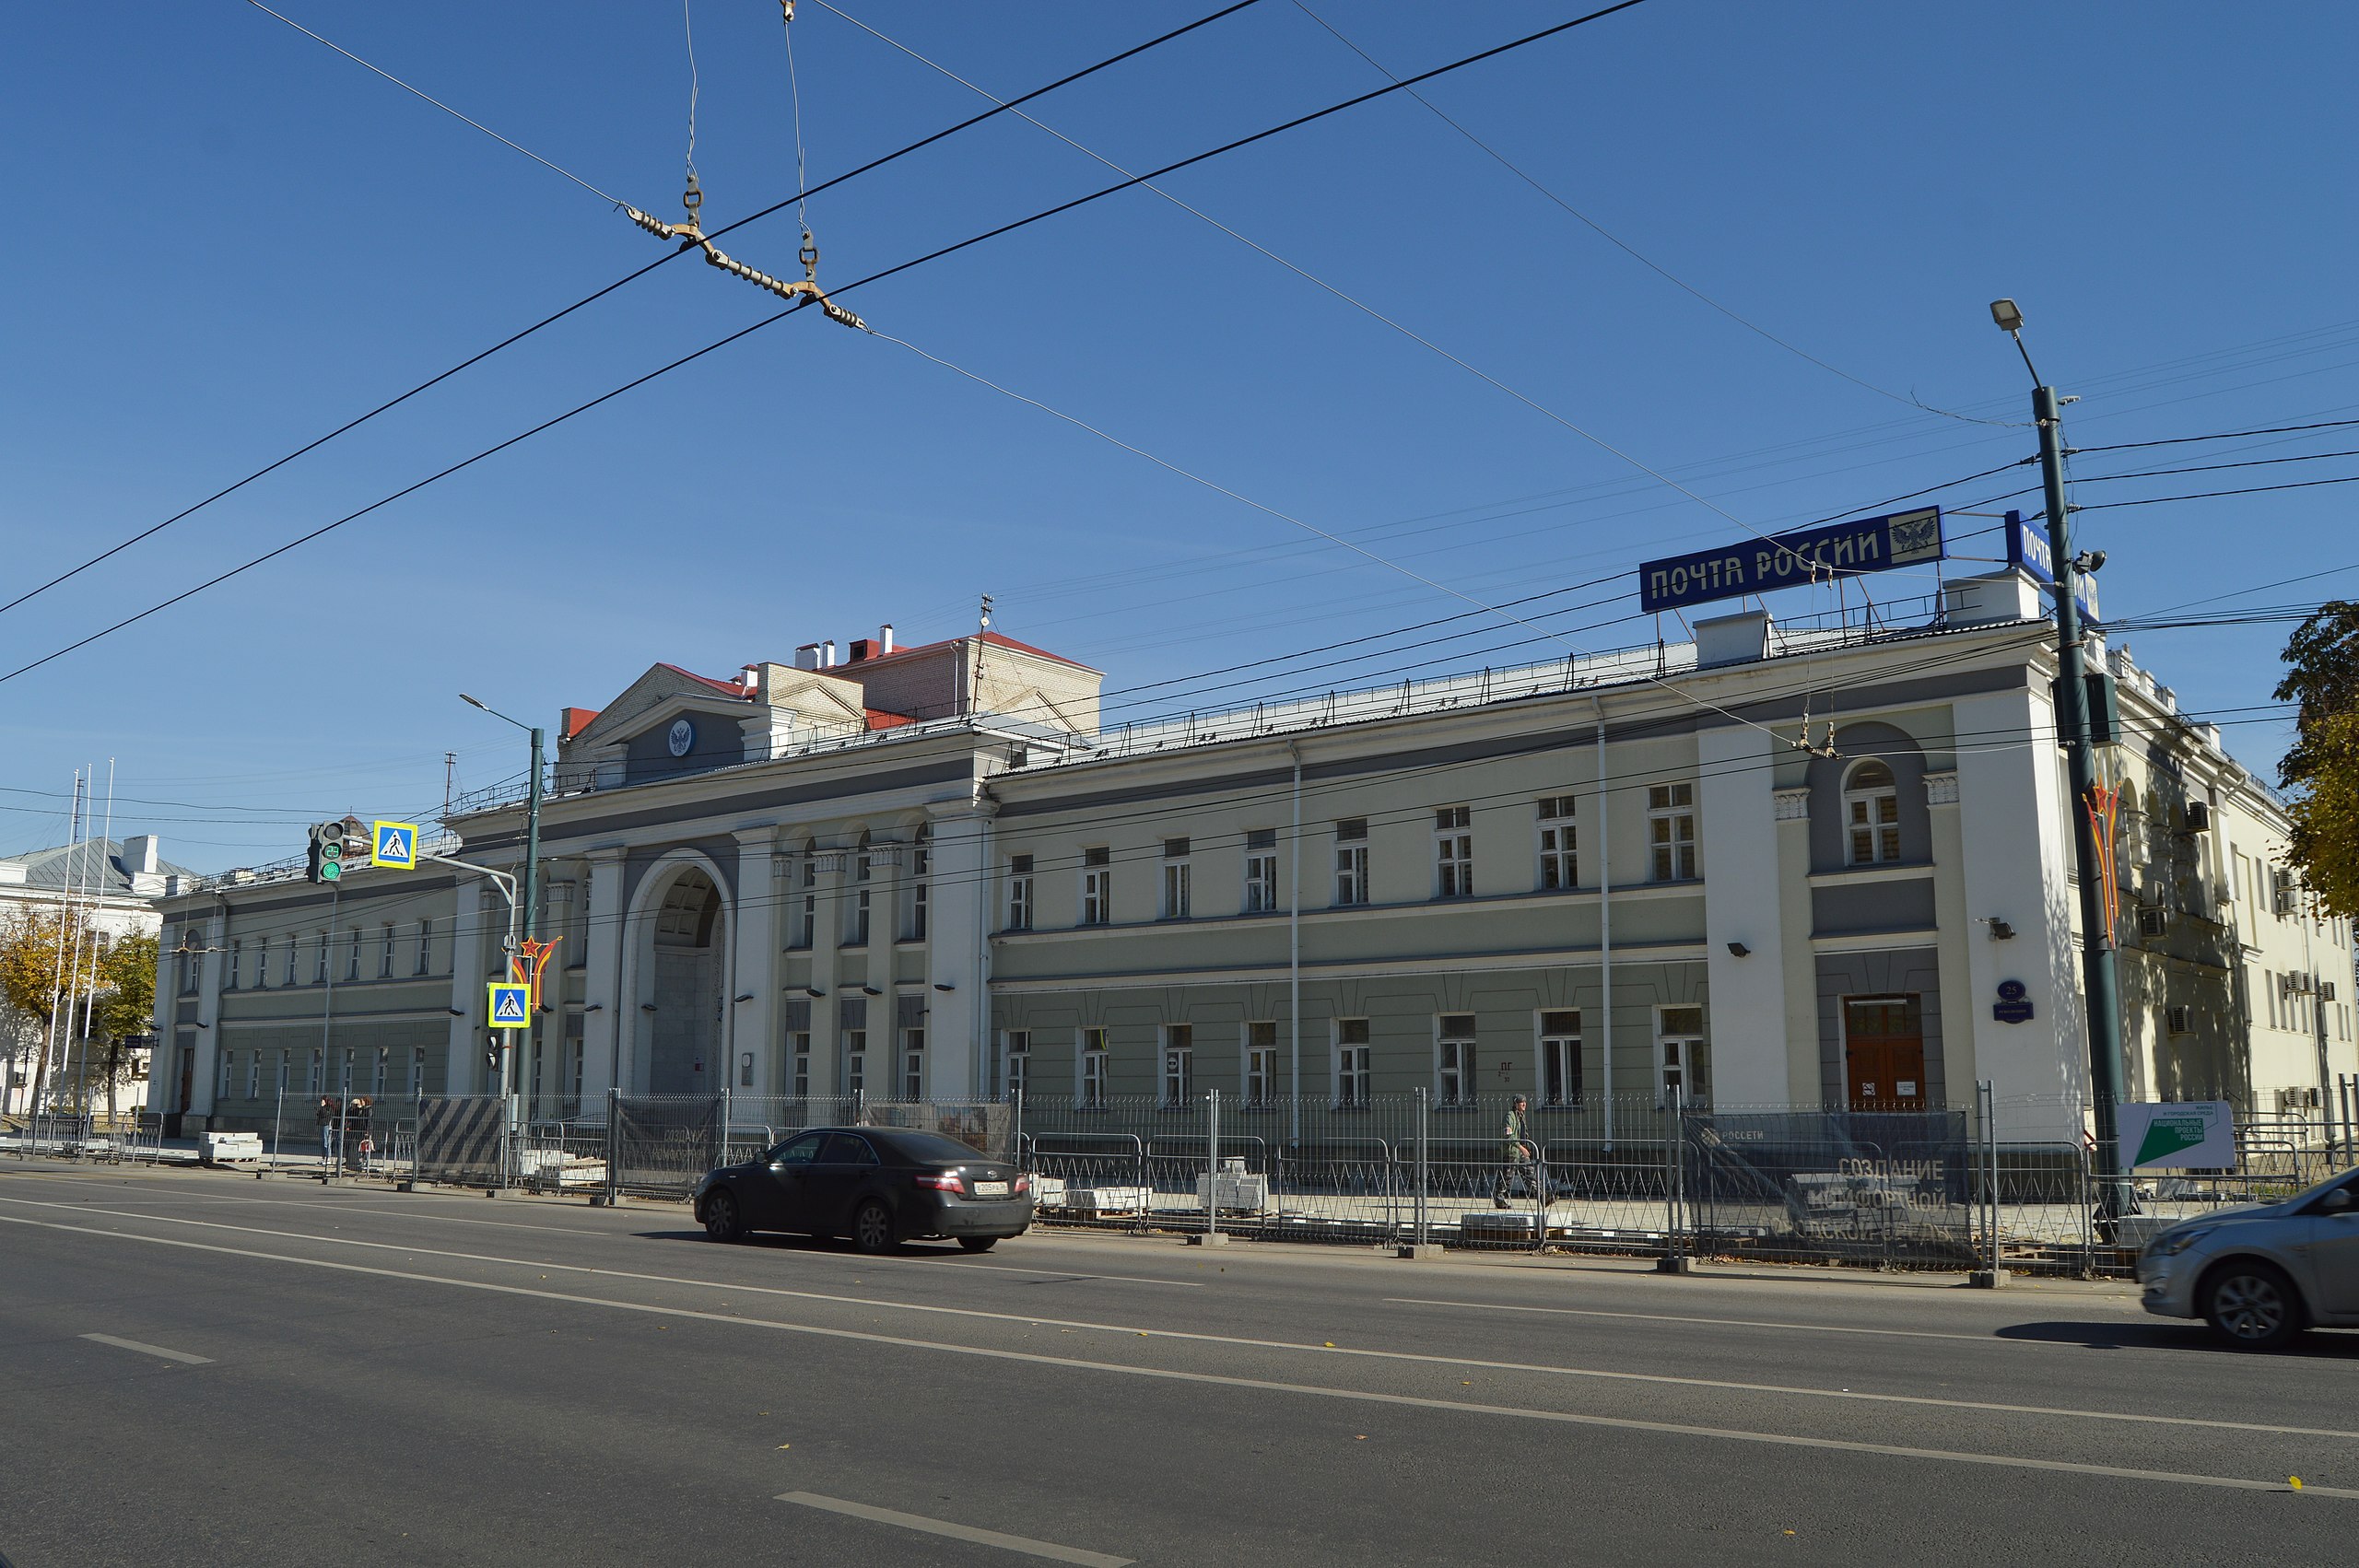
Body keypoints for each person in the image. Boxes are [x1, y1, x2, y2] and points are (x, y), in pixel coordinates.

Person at [1494, 1094, 1540, 1209]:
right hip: (1511, 1152)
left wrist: (1526, 1146)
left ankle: (1543, 1197)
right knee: (1506, 1177)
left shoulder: (1521, 1116)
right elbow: (1508, 1135)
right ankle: (1499, 1199)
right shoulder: (1510, 1117)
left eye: (1525, 1102)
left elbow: (1523, 1133)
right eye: (1521, 1102)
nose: (1524, 1104)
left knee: (1530, 1173)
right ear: (1516, 1104)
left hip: (1520, 1151)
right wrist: (1520, 1147)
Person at [316, 1095, 341, 1167]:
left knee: (326, 1141)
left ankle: (328, 1158)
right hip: (322, 1124)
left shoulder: (329, 1108)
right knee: (323, 1141)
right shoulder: (324, 1107)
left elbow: (325, 1114)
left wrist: (322, 1107)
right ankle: (324, 1158)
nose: (321, 1101)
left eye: (322, 1100)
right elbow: (319, 1114)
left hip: (326, 1124)